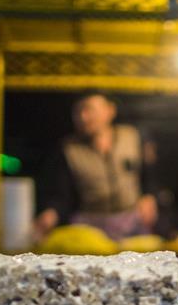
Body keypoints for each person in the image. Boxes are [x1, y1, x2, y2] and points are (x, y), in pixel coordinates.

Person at [34, 90, 157, 241]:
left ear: (110, 111)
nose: (83, 117)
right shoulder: (69, 149)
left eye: (89, 109)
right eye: (78, 112)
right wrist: (51, 214)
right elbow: (61, 194)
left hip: (131, 220)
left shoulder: (133, 137)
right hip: (90, 224)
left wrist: (149, 196)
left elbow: (150, 174)